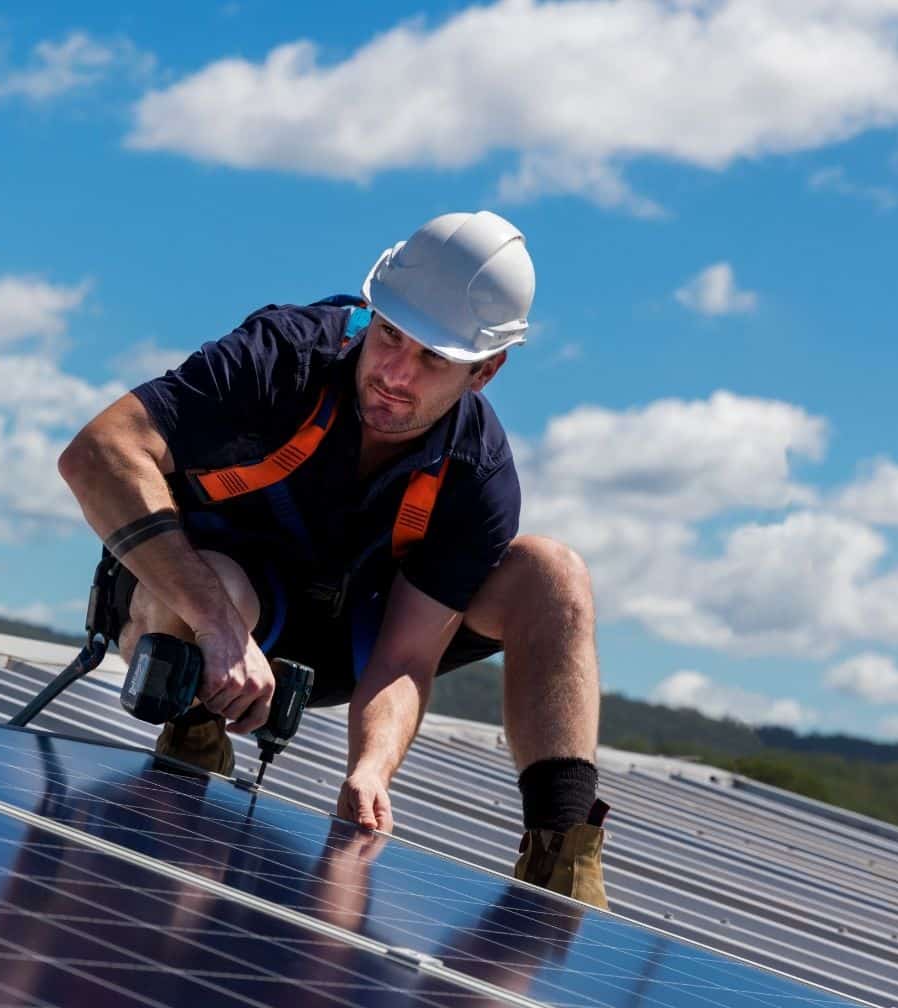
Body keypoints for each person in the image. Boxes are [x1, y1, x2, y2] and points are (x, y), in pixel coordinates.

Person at [56, 210, 608, 908]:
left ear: (486, 371)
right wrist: (221, 628)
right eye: (390, 337)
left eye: (433, 359)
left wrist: (372, 770)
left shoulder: (477, 475)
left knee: (552, 575)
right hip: (205, 613)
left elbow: (406, 658)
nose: (395, 375)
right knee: (221, 588)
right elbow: (97, 453)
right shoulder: (281, 355)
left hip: (348, 642)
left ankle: (562, 868)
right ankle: (194, 734)